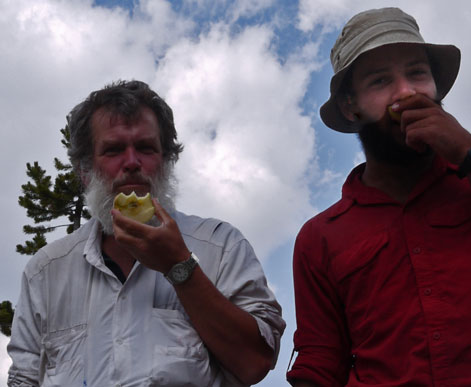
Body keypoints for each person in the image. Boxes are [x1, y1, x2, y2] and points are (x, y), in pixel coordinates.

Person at [287, 7, 471, 387]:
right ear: (351, 106)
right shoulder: (321, 237)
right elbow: (319, 363)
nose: (406, 93)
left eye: (417, 73)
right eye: (381, 81)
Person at [8, 80, 285, 386]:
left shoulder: (220, 246)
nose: (131, 162)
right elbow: (24, 378)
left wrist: (179, 267)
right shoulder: (46, 271)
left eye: (145, 148)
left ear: (166, 161)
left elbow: (256, 362)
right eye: (113, 150)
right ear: (85, 171)